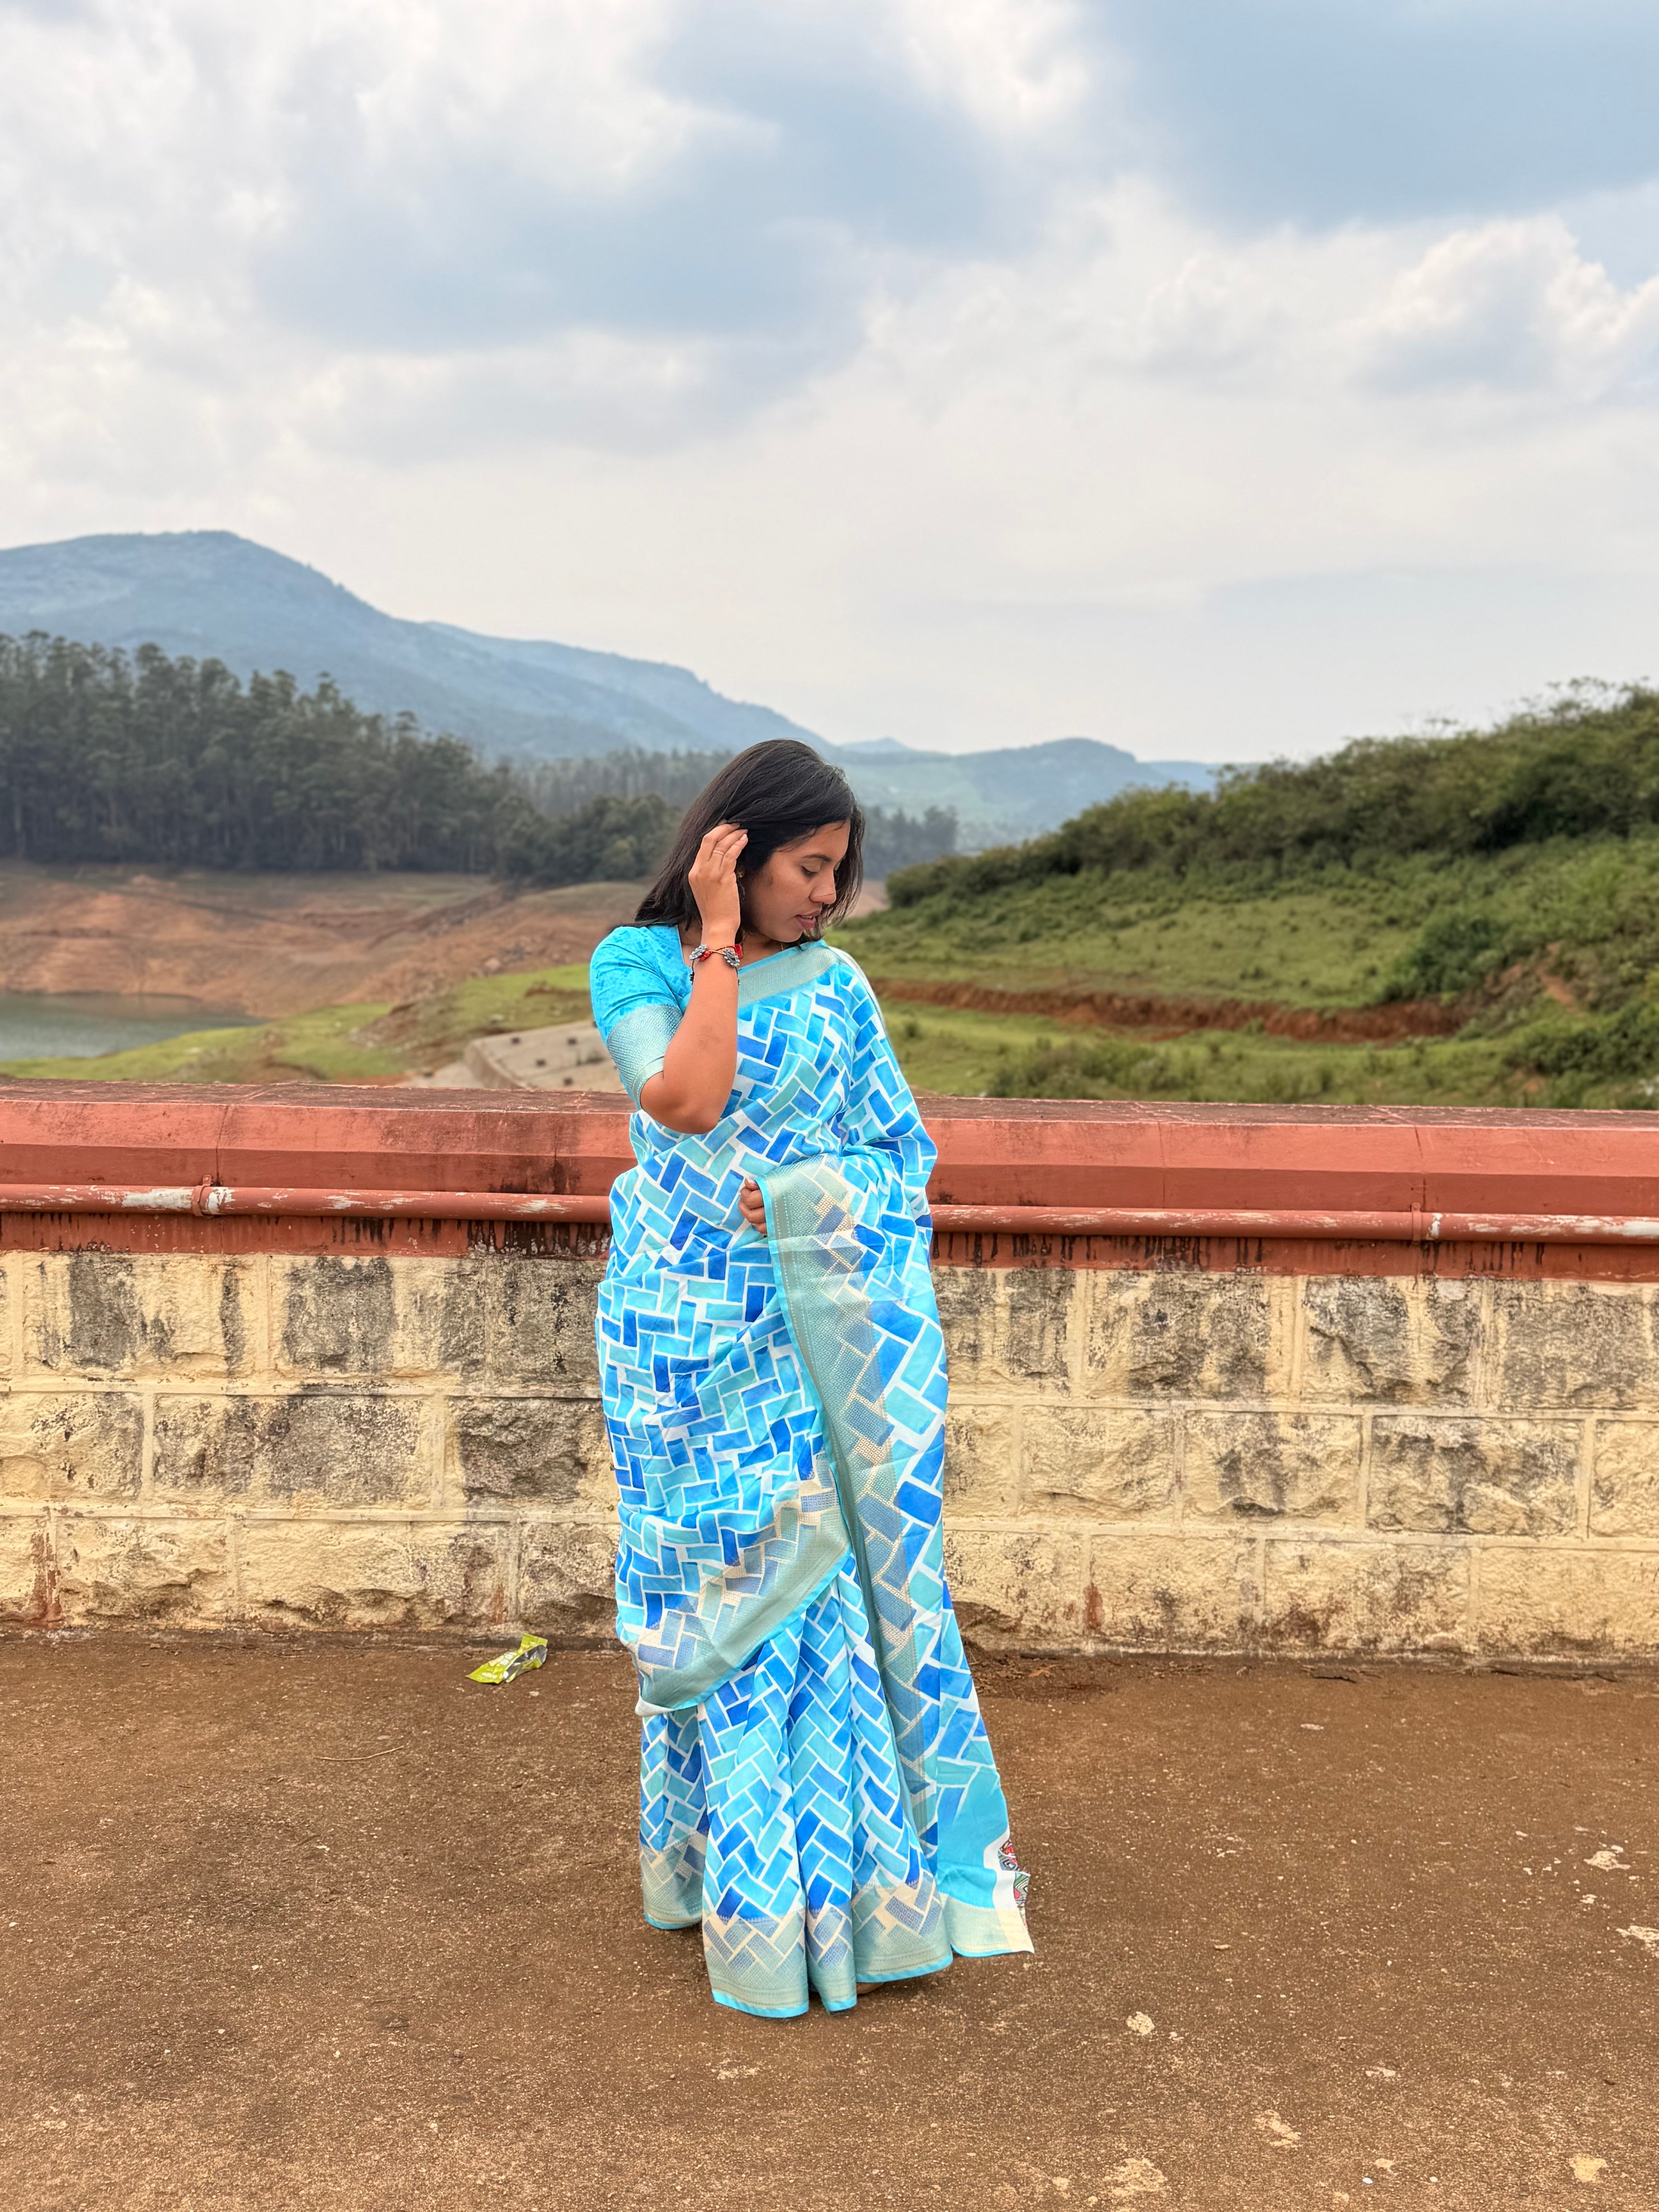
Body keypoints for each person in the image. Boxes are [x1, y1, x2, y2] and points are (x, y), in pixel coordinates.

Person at [588, 737, 1032, 2019]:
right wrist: (719, 942)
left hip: (813, 1338)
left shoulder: (837, 988)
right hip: (678, 1338)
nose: (826, 899)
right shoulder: (637, 962)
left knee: (812, 1609)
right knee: (713, 1613)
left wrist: (798, 1202)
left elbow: (901, 1154)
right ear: (731, 847)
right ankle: (726, 1882)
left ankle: (829, 1910)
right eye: (809, 867)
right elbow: (681, 1098)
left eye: (840, 875)